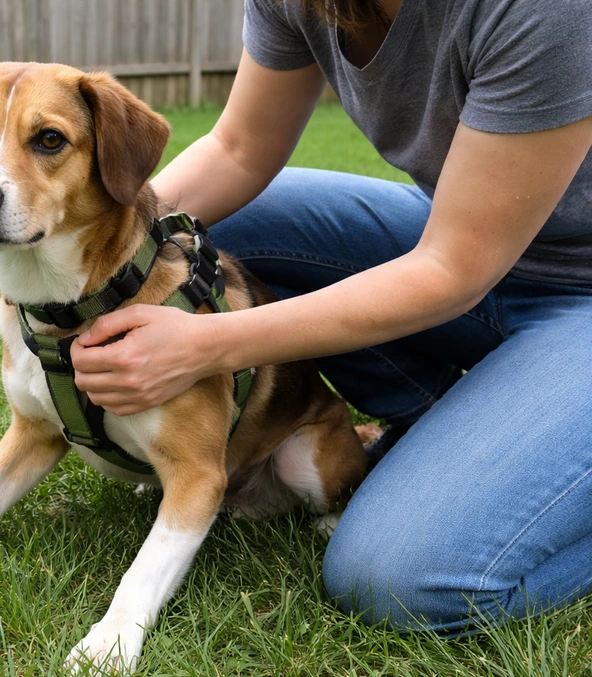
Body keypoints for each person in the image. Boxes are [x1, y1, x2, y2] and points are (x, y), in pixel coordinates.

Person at [69, 0, 592, 635]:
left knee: (396, 577)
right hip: (467, 229)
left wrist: (210, 343)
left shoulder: (546, 12)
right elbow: (238, 149)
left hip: (550, 283)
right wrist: (97, 261)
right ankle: (436, 414)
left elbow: (454, 270)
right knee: (205, 229)